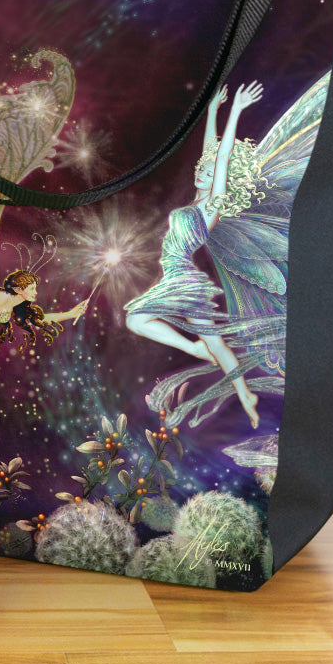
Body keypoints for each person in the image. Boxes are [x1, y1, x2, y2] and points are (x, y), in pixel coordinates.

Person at [124, 82, 264, 427]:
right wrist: (213, 110)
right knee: (209, 341)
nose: (202, 171)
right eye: (201, 168)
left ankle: (224, 374)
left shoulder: (212, 206)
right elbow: (211, 151)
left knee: (138, 320)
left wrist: (235, 111)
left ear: (219, 181)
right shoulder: (196, 201)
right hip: (174, 277)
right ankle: (240, 388)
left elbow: (222, 156)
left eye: (209, 172)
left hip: (182, 279)